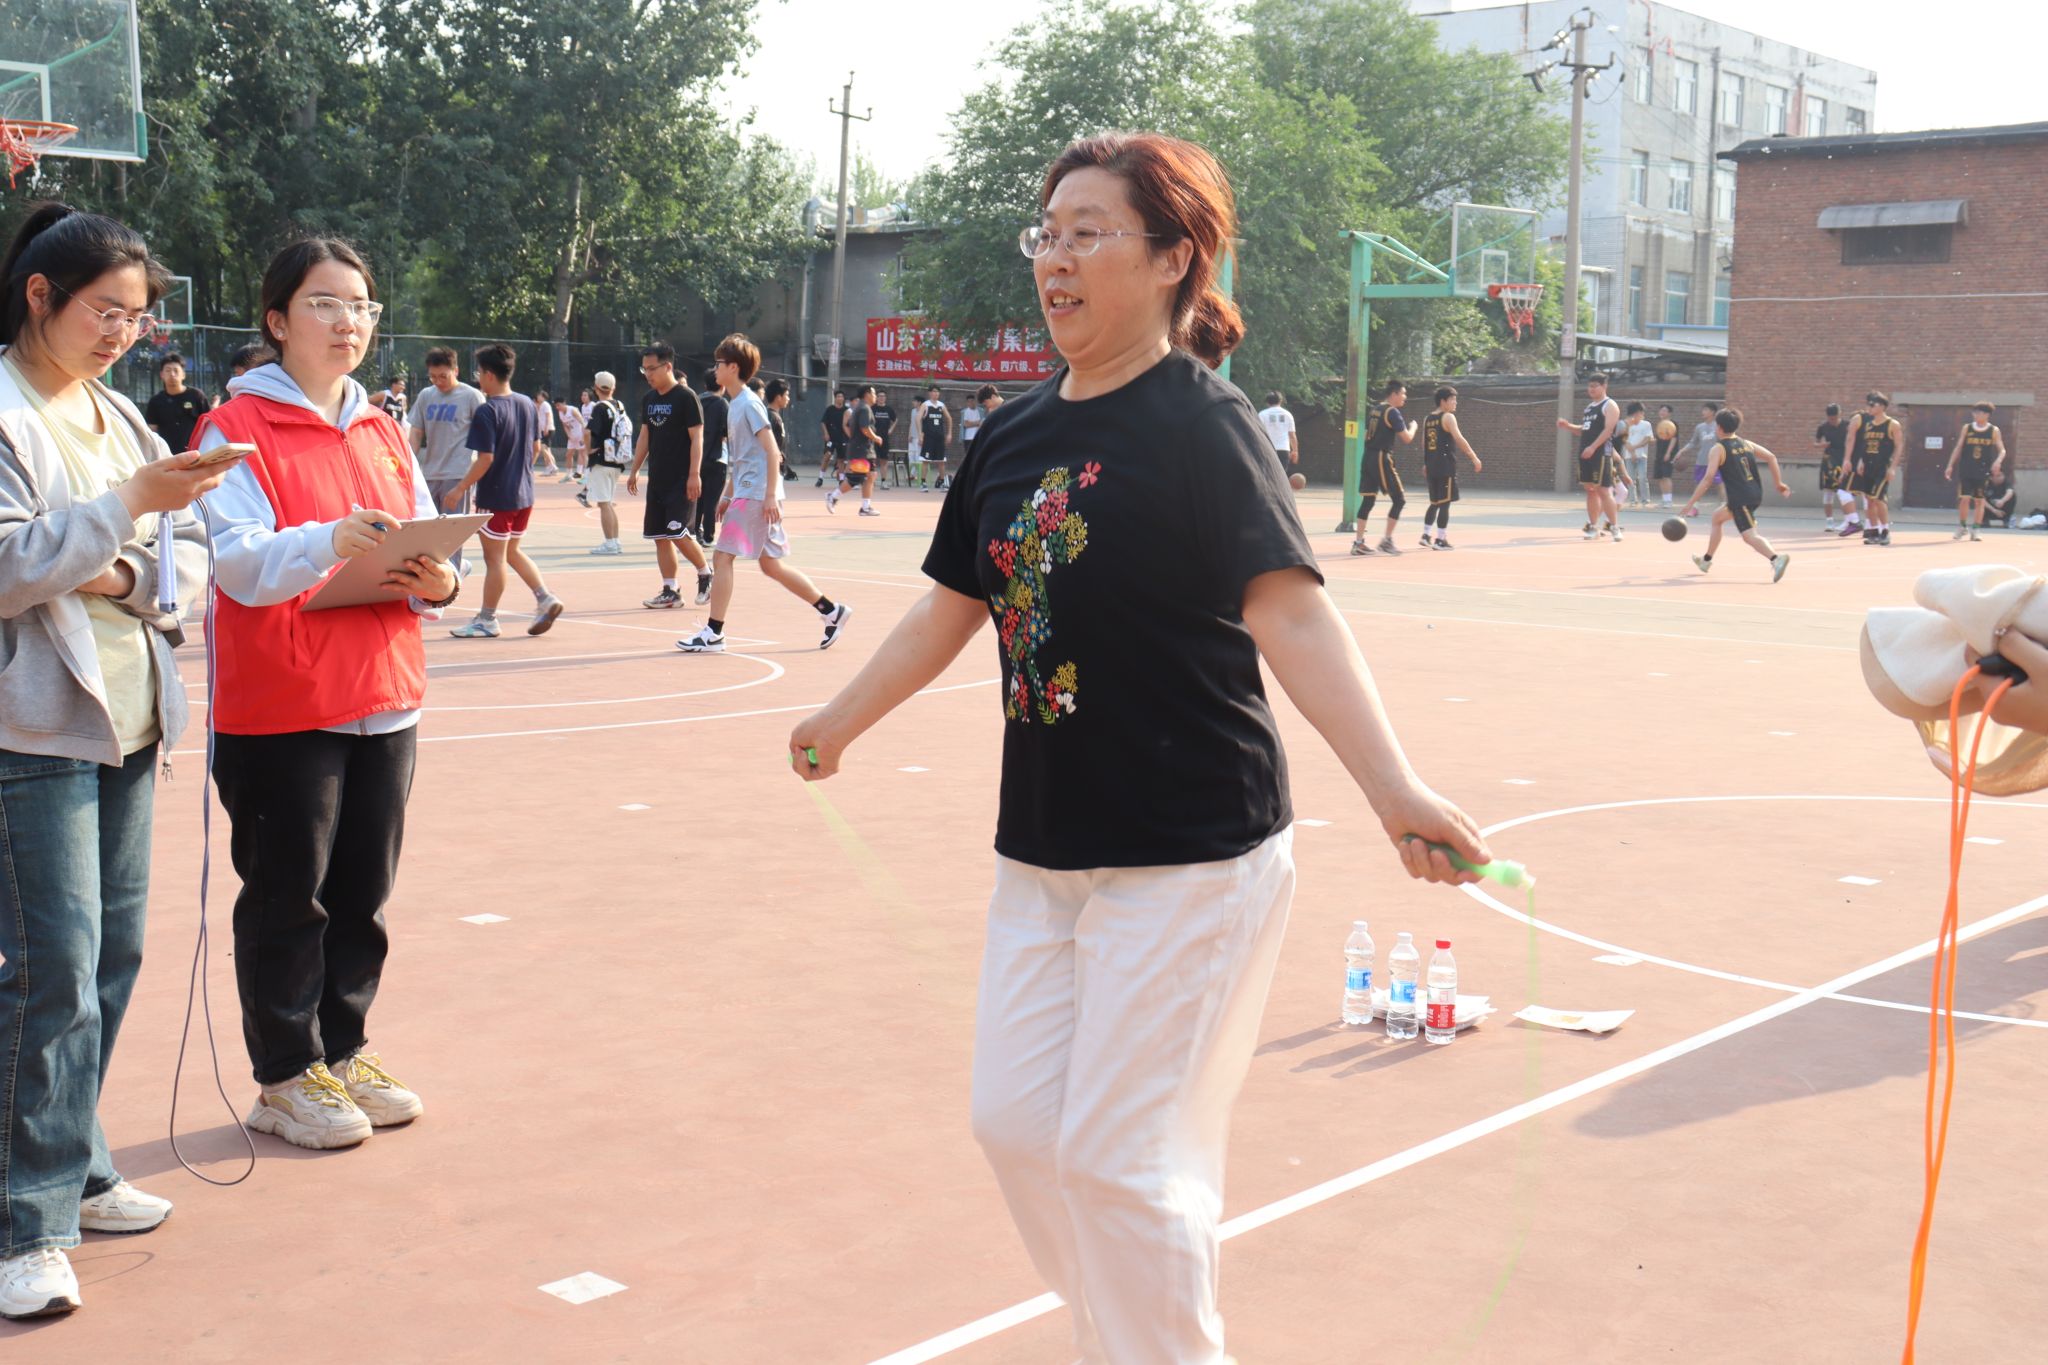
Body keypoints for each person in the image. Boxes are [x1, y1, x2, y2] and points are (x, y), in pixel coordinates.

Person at [790, 131, 1488, 1365]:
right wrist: (840, 719)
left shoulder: (1201, 425)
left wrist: (1393, 788)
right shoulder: (1008, 436)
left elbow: (1290, 614)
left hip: (1192, 850)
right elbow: (952, 604)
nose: (1054, 259)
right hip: (1043, 847)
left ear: (1172, 259)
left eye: (1088, 234)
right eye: (1046, 234)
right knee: (1018, 1131)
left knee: (1121, 1160)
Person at [0, 203, 223, 1322]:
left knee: (110, 958)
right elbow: (8, 566)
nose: (122, 335)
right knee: (52, 969)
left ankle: (77, 1166)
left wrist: (123, 566)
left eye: (136, 319)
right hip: (32, 726)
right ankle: (24, 1223)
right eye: (105, 312)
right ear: (39, 296)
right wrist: (127, 511)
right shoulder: (7, 408)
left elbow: (189, 556)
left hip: (130, 718)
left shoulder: (121, 413)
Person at [195, 236, 460, 1153]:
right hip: (284, 704)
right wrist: (328, 540)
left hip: (386, 692)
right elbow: (237, 564)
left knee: (362, 893)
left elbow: (428, 535)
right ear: (277, 320)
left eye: (362, 305)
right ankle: (284, 1073)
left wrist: (441, 581)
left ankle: (344, 1049)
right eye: (325, 303)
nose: (349, 321)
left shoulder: (380, 428)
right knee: (287, 896)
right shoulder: (234, 429)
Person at [677, 335, 853, 655]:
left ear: (733, 367)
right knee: (771, 565)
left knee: (722, 556)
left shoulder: (748, 404)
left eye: (719, 363)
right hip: (751, 492)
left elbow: (772, 451)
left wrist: (769, 495)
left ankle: (714, 633)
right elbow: (745, 458)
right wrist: (728, 495)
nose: (715, 368)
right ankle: (832, 611)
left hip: (757, 495)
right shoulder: (735, 404)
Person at [443, 345, 566, 638]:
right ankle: (545, 597)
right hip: (524, 495)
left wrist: (460, 488)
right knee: (512, 551)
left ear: (488, 374)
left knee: (495, 559)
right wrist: (518, 472)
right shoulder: (526, 404)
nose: (478, 378)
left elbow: (485, 459)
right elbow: (535, 448)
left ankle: (487, 619)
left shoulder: (487, 411)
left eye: (478, 372)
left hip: (497, 498)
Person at [627, 342, 712, 608]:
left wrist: (694, 474)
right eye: (644, 369)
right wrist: (634, 469)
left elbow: (697, 437)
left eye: (652, 368)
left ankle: (705, 573)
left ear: (668, 367)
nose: (648, 374)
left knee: (677, 532)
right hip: (658, 480)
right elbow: (645, 435)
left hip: (681, 480)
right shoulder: (649, 399)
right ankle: (671, 591)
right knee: (660, 537)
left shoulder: (686, 397)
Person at [1683, 407, 1791, 582]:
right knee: (1717, 518)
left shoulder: (1718, 449)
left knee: (1749, 536)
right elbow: (1771, 457)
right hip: (1753, 493)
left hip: (1740, 498)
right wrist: (1778, 483)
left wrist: (1690, 503)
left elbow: (1708, 479)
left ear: (1718, 427)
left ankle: (1776, 559)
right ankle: (1706, 560)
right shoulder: (1746, 443)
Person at [407, 345, 486, 575]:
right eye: (433, 376)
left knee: (452, 532)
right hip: (429, 473)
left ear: (456, 370)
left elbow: (485, 435)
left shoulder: (471, 396)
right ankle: (438, 572)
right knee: (425, 530)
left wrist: (474, 477)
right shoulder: (426, 395)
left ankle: (453, 574)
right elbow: (416, 432)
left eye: (443, 376)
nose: (438, 381)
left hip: (457, 474)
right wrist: (409, 461)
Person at [1352, 378, 1416, 555]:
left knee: (1368, 500)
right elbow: (1407, 438)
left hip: (1368, 456)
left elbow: (1366, 435)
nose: (1405, 397)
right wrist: (1413, 427)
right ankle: (1386, 541)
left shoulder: (1375, 410)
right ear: (1394, 394)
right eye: (1403, 393)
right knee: (1399, 500)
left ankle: (1358, 543)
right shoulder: (1392, 412)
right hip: (1381, 457)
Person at [1557, 372, 1623, 541]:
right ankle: (1593, 527)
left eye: (1595, 386)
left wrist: (1593, 447)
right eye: (1589, 386)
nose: (1591, 389)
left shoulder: (1609, 405)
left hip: (1600, 453)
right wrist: (1568, 426)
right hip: (1585, 453)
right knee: (1591, 491)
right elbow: (1584, 430)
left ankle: (1614, 527)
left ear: (1604, 386)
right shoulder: (1589, 408)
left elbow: (1608, 430)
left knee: (1604, 490)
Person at [1418, 385, 1483, 551]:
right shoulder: (1447, 417)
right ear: (1443, 401)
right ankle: (1440, 540)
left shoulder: (1427, 419)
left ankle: (1426, 535)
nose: (1455, 403)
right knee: (1445, 503)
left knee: (1434, 502)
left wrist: (1425, 463)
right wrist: (1474, 457)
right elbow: (1459, 439)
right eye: (1452, 399)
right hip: (1445, 466)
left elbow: (1424, 443)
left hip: (1432, 466)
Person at [1943, 403, 2006, 543]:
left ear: (1987, 415)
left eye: (1979, 413)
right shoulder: (1967, 428)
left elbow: (2002, 450)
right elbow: (1958, 447)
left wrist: (1998, 461)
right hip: (1966, 468)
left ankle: (1976, 529)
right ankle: (1962, 526)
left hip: (1982, 470)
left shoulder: (1993, 430)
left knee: (1979, 500)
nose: (1975, 415)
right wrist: (1950, 465)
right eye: (1974, 413)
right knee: (1964, 498)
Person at [1846, 391, 1901, 546]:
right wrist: (1861, 461)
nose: (1869, 407)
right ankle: (1874, 531)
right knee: (1869, 500)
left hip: (1882, 467)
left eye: (1872, 404)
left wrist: (1893, 467)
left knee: (1878, 499)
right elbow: (1865, 445)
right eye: (1868, 404)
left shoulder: (1892, 424)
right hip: (1868, 466)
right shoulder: (1869, 425)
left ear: (1882, 406)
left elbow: (1899, 446)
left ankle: (1885, 531)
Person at [583, 370, 628, 553]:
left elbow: (588, 432)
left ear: (596, 387)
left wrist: (589, 450)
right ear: (613, 387)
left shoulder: (599, 407)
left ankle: (610, 543)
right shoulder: (619, 405)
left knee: (603, 503)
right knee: (608, 502)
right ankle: (615, 541)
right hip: (616, 459)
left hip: (602, 460)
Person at [144, 350, 211, 455]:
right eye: (168, 370)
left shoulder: (196, 396)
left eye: (176, 370)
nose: (172, 374)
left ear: (183, 374)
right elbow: (152, 430)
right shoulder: (156, 401)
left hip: (195, 454)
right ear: (161, 375)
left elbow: (208, 424)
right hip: (167, 456)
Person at [694, 371, 729, 545]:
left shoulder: (696, 401)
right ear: (722, 385)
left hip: (697, 457)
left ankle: (694, 532)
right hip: (717, 458)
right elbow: (727, 431)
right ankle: (708, 536)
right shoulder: (722, 404)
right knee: (712, 500)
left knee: (697, 498)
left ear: (705, 385)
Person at [1673, 401, 1720, 519]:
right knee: (1699, 484)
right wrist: (1681, 451)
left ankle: (1725, 506)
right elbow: (1693, 442)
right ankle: (1695, 508)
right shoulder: (1700, 427)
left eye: (1706, 410)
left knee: (1720, 483)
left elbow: (1723, 442)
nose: (1703, 412)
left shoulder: (1718, 427)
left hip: (1716, 461)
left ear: (1712, 412)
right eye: (1703, 409)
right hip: (1702, 460)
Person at [1813, 402, 1852, 532]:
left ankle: (1848, 520)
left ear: (1840, 414)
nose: (1832, 421)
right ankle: (1829, 521)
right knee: (1828, 491)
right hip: (1829, 460)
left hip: (1844, 459)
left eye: (1834, 418)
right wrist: (1821, 445)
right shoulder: (1823, 427)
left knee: (1844, 491)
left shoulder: (1847, 426)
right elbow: (1815, 442)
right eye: (1830, 419)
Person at [916, 382, 952, 490]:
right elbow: (918, 418)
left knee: (941, 461)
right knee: (926, 460)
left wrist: (949, 433)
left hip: (939, 437)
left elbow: (949, 418)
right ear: (930, 393)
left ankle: (942, 482)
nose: (936, 393)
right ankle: (923, 483)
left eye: (937, 392)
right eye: (934, 391)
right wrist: (920, 434)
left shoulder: (941, 405)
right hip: (929, 437)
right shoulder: (925, 405)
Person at [1621, 400, 1653, 508]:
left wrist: (1635, 448)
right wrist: (1632, 453)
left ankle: (1645, 500)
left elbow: (1647, 438)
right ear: (1635, 413)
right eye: (1640, 412)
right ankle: (1633, 500)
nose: (1642, 414)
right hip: (1628, 456)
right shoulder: (1626, 425)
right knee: (1631, 478)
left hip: (1642, 455)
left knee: (1643, 477)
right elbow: (1625, 441)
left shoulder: (1646, 424)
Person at [1257, 389, 1299, 468]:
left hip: (1267, 448)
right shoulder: (1288, 415)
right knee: (1281, 474)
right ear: (1280, 401)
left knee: (1267, 473)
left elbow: (1258, 433)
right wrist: (1295, 451)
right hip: (1283, 449)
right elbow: (1292, 435)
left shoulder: (1262, 414)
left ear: (1267, 402)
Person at [764, 376, 795, 481]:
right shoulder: (772, 417)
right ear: (778, 397)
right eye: (787, 395)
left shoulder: (771, 415)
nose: (788, 398)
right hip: (770, 469)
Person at [817, 387, 848, 487]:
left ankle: (841, 479)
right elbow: (823, 422)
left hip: (842, 438)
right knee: (827, 455)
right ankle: (820, 478)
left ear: (843, 399)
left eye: (841, 396)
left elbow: (849, 424)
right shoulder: (830, 409)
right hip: (831, 438)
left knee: (841, 459)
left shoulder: (847, 411)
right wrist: (826, 433)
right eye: (838, 396)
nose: (840, 398)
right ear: (835, 398)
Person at [1651, 403, 1678, 507]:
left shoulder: (1673, 424)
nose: (1661, 412)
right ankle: (1664, 499)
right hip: (1659, 453)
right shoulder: (1660, 424)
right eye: (1661, 410)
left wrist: (1668, 453)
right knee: (1660, 477)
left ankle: (1669, 501)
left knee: (1666, 476)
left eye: (1664, 410)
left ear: (1669, 413)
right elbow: (1659, 439)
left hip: (1668, 454)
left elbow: (1674, 439)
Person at [871, 386, 898, 485]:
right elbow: (867, 420)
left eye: (883, 396)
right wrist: (871, 429)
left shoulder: (889, 409)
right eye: (879, 396)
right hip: (873, 437)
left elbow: (895, 419)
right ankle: (872, 481)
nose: (881, 398)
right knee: (872, 460)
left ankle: (883, 481)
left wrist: (891, 429)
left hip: (884, 438)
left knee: (884, 460)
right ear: (876, 397)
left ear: (885, 398)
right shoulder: (872, 408)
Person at [559, 395, 588, 488]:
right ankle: (569, 475)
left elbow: (582, 422)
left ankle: (587, 476)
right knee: (568, 454)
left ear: (564, 403)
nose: (557, 407)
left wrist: (583, 436)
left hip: (580, 435)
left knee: (583, 454)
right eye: (556, 406)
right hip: (572, 436)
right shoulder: (560, 413)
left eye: (559, 405)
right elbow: (565, 425)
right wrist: (569, 435)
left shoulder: (572, 410)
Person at [1983, 464, 2017, 528]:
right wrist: (1994, 510)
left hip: (2003, 510)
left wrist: (2002, 501)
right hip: (1990, 510)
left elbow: (2010, 492)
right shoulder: (1986, 483)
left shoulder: (2006, 482)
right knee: (1978, 500)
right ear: (1991, 478)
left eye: (2002, 475)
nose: (2001, 477)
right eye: (1998, 476)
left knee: (2013, 495)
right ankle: (1984, 520)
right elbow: (1981, 499)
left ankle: (2007, 519)